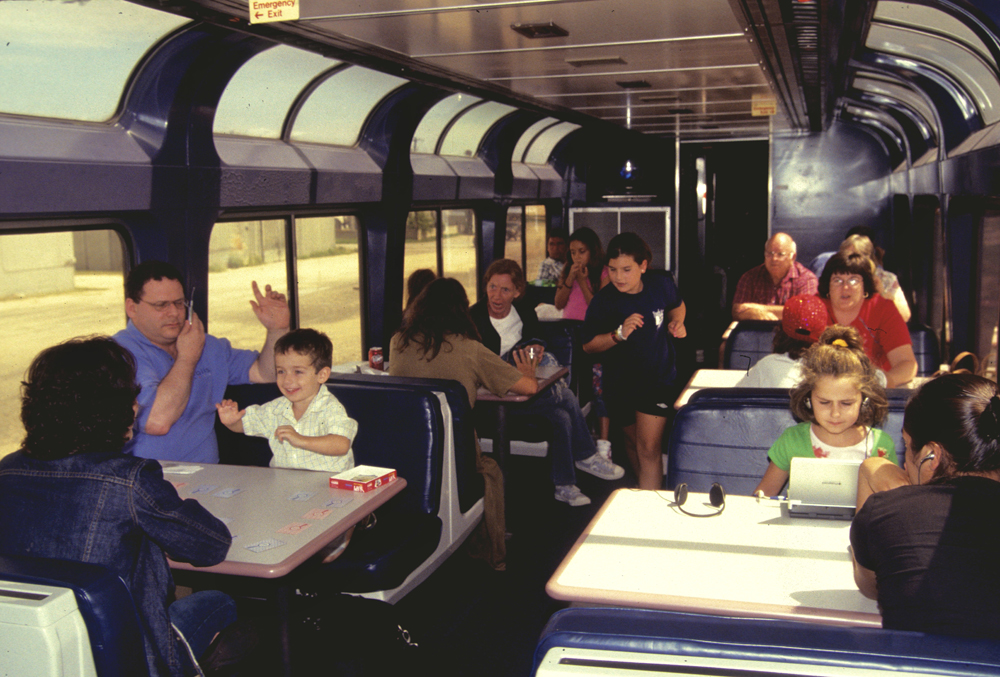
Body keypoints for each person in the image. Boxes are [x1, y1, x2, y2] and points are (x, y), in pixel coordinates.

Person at [0, 337, 238, 677]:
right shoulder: (130, 479)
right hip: (130, 653)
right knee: (221, 602)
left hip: (39, 651)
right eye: (132, 396)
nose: (138, 406)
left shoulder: (7, 470)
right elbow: (211, 546)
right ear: (111, 410)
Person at [390, 277, 540, 570]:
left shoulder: (398, 341)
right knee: (490, 470)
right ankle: (491, 555)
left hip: (407, 448)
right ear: (462, 310)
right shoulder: (469, 348)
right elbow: (528, 388)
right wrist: (528, 370)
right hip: (454, 450)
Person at [851, 374, 1000, 639]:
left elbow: (869, 587)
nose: (906, 464)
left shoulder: (888, 510)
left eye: (908, 447)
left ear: (933, 455)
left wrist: (871, 472)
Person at [471, 259, 624, 507]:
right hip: (491, 396)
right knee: (565, 398)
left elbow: (536, 342)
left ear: (517, 292)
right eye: (492, 287)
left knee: (561, 416)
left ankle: (565, 486)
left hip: (525, 391)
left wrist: (533, 352)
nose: (496, 296)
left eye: (505, 290)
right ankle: (585, 455)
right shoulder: (473, 318)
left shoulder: (524, 312)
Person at [114, 260, 290, 463]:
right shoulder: (117, 354)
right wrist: (188, 358)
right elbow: (157, 423)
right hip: (148, 479)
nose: (174, 313)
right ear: (132, 308)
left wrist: (277, 329)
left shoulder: (205, 344)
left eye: (179, 303)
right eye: (161, 305)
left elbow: (265, 372)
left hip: (208, 476)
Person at [581, 233, 687, 490]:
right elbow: (587, 345)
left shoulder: (661, 283)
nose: (619, 277)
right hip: (620, 384)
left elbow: (678, 305)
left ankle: (651, 514)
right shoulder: (604, 301)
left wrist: (678, 321)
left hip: (657, 380)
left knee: (649, 448)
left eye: (627, 269)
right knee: (632, 444)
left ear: (643, 265)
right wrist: (618, 335)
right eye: (613, 270)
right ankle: (647, 495)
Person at [753, 325, 898, 497]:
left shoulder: (882, 445)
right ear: (808, 399)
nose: (835, 413)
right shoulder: (793, 440)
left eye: (846, 403)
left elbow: (893, 503)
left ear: (864, 401)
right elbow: (763, 495)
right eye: (824, 402)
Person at [216, 328, 356, 473]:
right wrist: (232, 421)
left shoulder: (330, 407)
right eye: (281, 371)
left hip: (328, 487)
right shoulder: (275, 409)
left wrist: (300, 439)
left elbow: (341, 444)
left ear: (322, 375)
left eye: (298, 372)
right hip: (286, 486)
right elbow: (245, 425)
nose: (287, 380)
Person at [553, 227, 612, 459]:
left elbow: (598, 308)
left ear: (592, 251)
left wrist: (583, 281)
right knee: (572, 388)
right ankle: (581, 437)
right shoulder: (567, 270)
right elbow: (558, 303)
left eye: (582, 252)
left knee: (598, 387)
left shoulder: (603, 272)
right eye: (573, 253)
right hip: (570, 333)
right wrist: (570, 278)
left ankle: (604, 442)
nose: (577, 257)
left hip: (593, 334)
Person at [818, 252, 917, 387]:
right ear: (827, 285)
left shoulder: (883, 309)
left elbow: (907, 364)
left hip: (873, 391)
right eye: (837, 280)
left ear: (865, 285)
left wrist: (882, 381)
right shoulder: (815, 308)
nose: (845, 287)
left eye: (854, 280)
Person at [735, 294, 828, 388]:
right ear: (823, 334)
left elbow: (735, 398)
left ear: (780, 330)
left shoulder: (767, 365)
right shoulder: (833, 371)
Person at [732, 232, 818, 321]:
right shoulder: (750, 277)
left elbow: (807, 312)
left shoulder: (806, 279)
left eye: (780, 254)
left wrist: (759, 308)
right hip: (756, 331)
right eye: (770, 253)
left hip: (791, 333)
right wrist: (756, 313)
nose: (774, 259)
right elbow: (737, 311)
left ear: (792, 257)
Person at [838, 233, 911, 322]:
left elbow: (905, 316)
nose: (849, 262)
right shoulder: (836, 279)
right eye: (845, 257)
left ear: (868, 258)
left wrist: (882, 293)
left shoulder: (886, 278)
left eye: (855, 256)